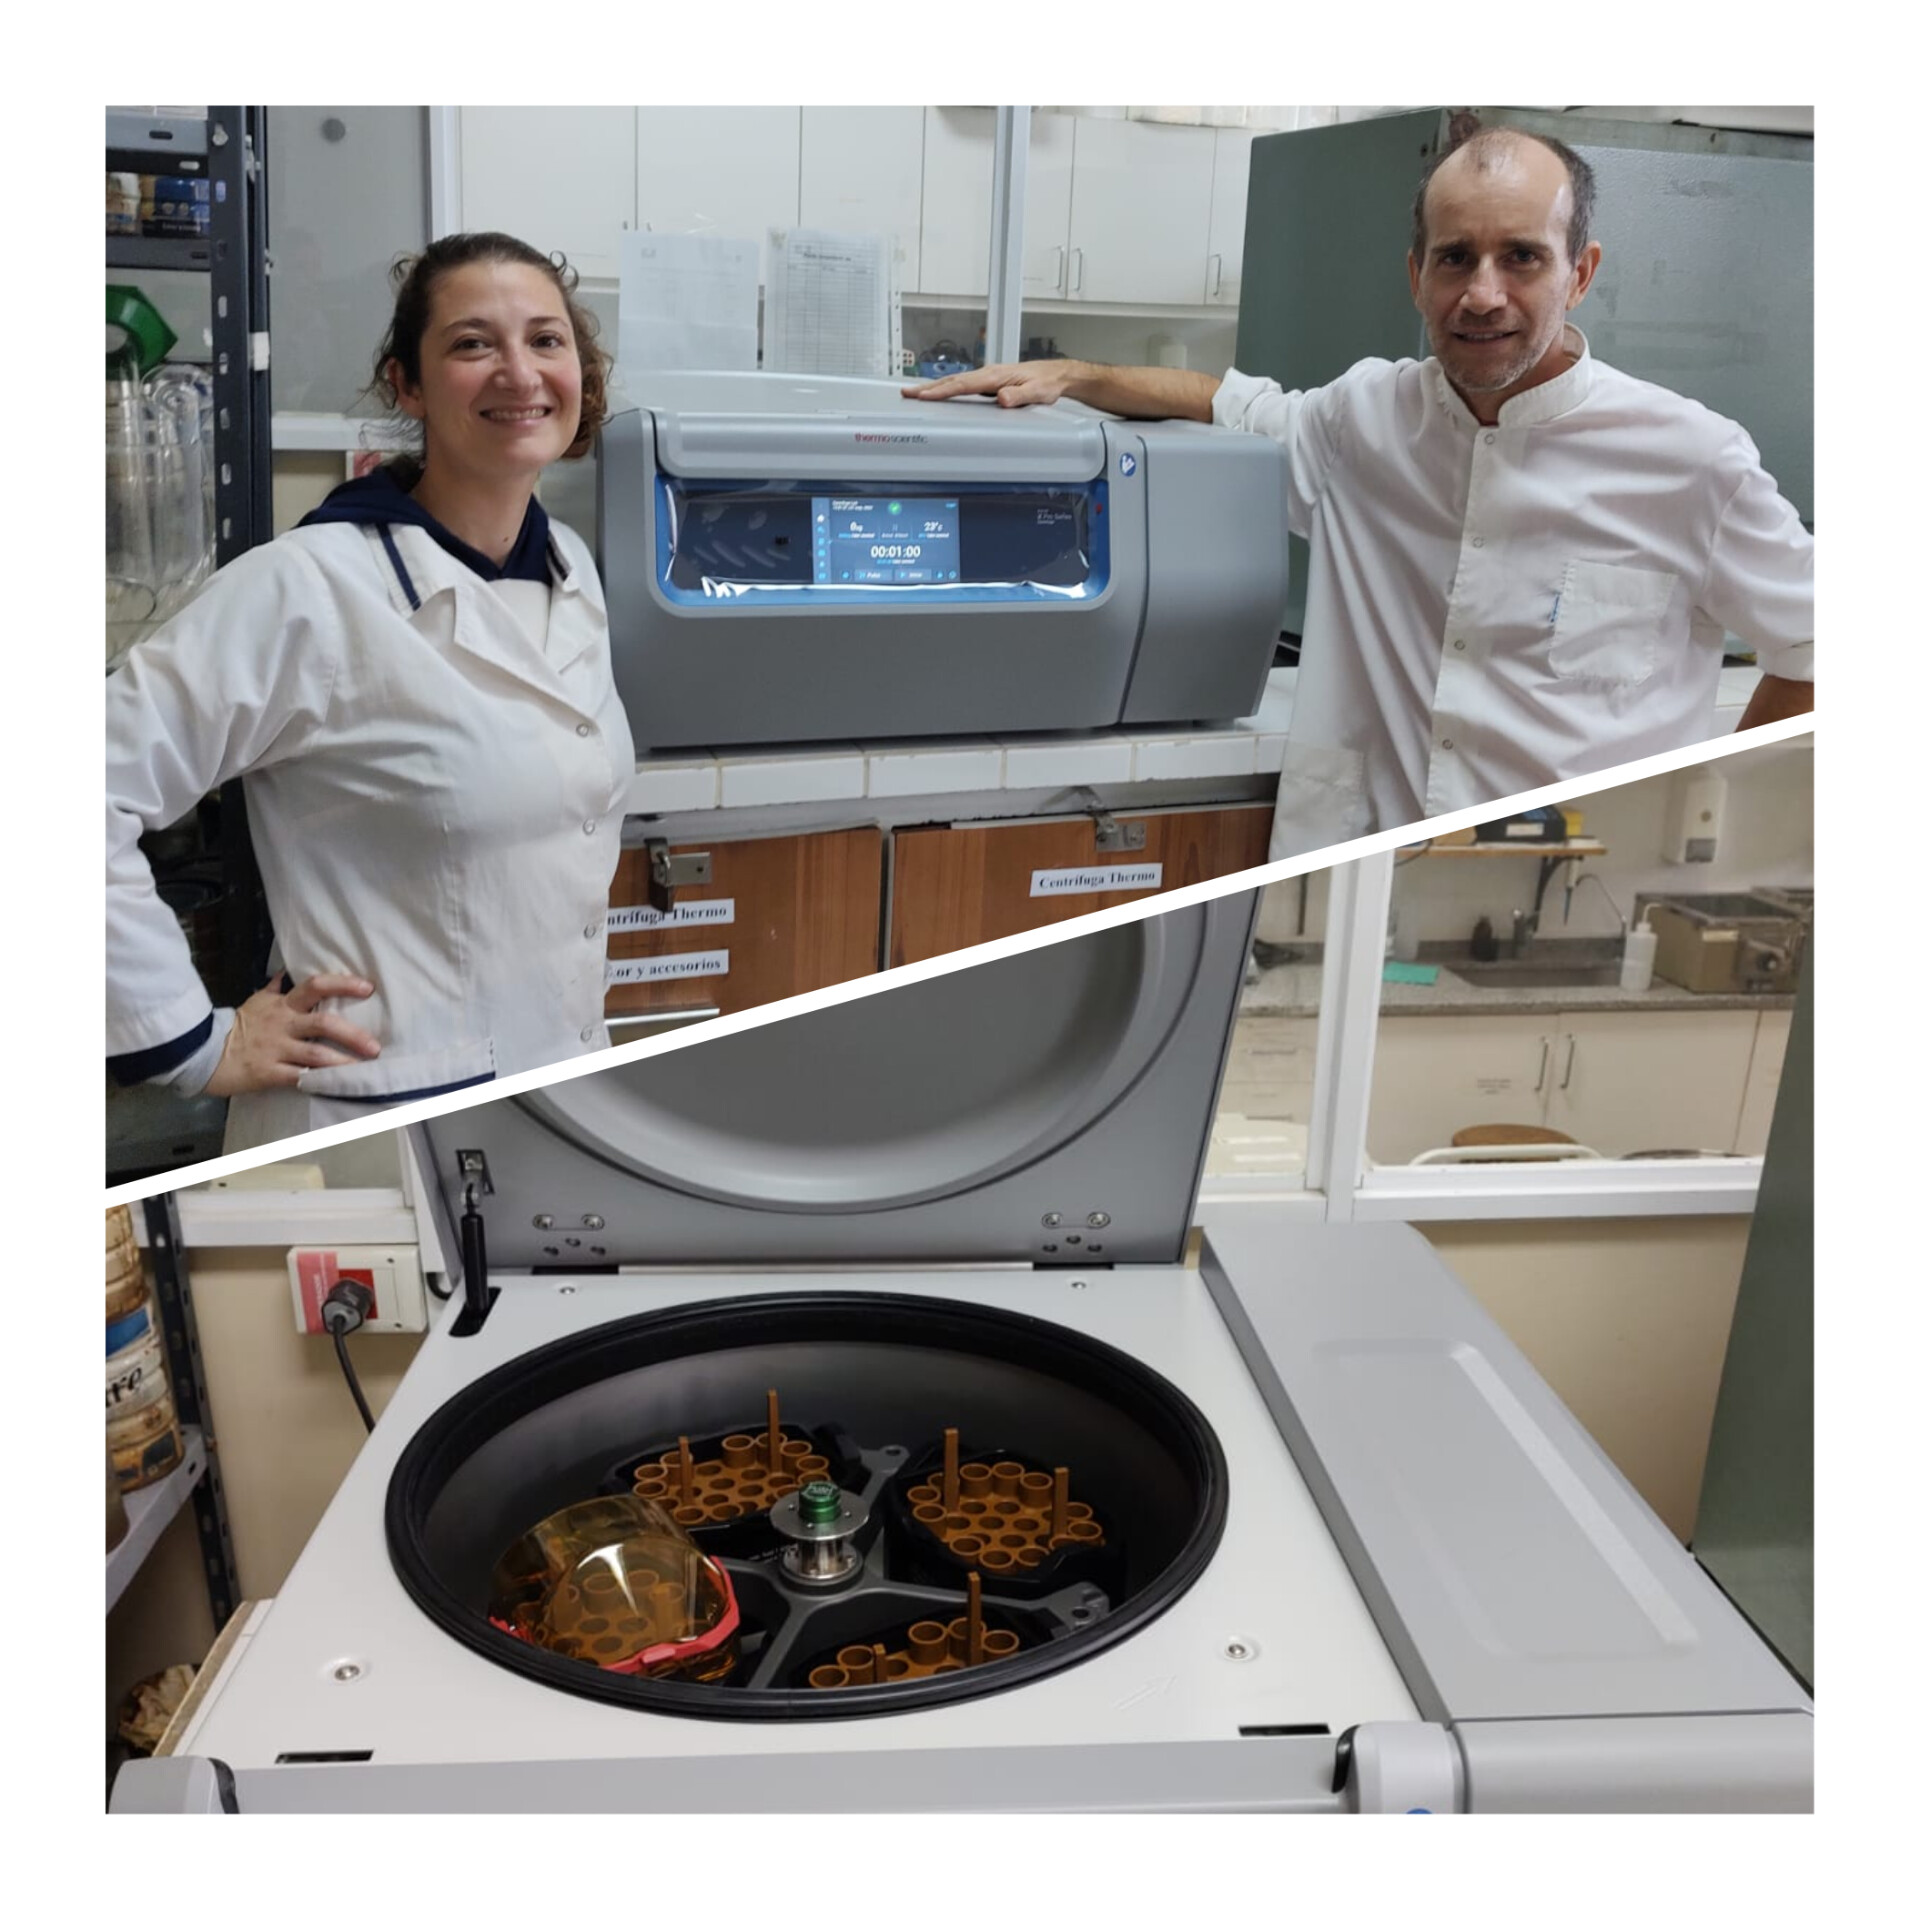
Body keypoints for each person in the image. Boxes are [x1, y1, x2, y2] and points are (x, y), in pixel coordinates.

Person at [907, 124, 1814, 856]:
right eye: (1455, 258)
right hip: (1356, 871)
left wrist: (1700, 811)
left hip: (1571, 885)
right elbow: (1226, 404)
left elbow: (1817, 648)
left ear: (1580, 272)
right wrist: (1075, 375)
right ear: (1417, 277)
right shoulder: (1364, 418)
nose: (1483, 294)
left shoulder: (1693, 459)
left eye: (1522, 258)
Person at [107, 232, 636, 1149]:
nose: (520, 373)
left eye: (546, 340)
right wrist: (192, 1044)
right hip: (374, 1129)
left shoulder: (567, 565)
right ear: (408, 385)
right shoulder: (310, 588)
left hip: (559, 1097)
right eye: (473, 343)